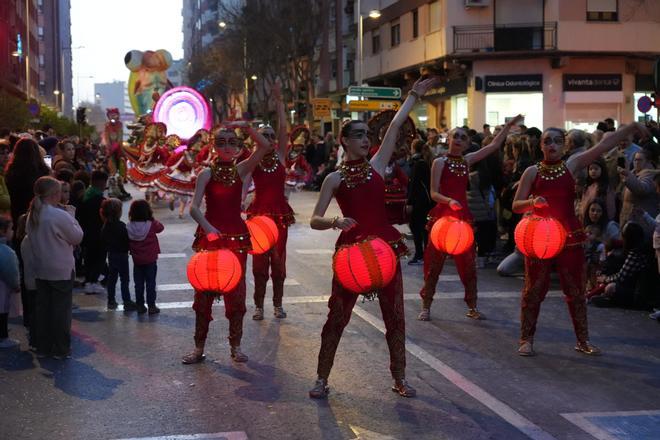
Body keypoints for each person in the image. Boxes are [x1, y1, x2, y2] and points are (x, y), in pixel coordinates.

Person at [307, 76, 440, 400]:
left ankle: (400, 378)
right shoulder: (334, 178)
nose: (366, 140)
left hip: (384, 251)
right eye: (359, 136)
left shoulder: (378, 167)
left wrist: (412, 97)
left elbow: (394, 127)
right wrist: (335, 221)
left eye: (368, 135)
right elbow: (314, 220)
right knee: (336, 319)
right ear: (344, 141)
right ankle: (322, 378)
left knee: (395, 319)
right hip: (351, 255)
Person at [512, 122, 649, 356]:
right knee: (533, 290)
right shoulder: (532, 172)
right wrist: (533, 203)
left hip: (570, 237)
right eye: (547, 141)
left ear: (564, 145)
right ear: (541, 146)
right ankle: (526, 338)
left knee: (575, 291)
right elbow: (516, 205)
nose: (552, 145)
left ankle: (582, 340)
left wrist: (630, 128)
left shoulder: (571, 165)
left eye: (557, 141)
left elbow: (604, 145)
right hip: (539, 237)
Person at [181, 121, 271, 365]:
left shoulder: (241, 170)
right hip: (210, 239)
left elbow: (264, 146)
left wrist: (246, 126)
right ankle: (199, 348)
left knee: (236, 295)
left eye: (232, 142)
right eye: (222, 142)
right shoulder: (206, 173)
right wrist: (209, 229)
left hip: (236, 240)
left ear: (239, 145)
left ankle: (236, 346)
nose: (228, 147)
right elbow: (194, 208)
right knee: (203, 296)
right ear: (214, 146)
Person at [418, 115, 523, 322]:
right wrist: (449, 201)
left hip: (462, 218)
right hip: (442, 217)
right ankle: (426, 305)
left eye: (462, 137)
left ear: (467, 143)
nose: (458, 139)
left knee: (467, 265)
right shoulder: (439, 162)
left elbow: (493, 146)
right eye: (455, 135)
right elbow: (433, 193)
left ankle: (472, 306)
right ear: (448, 139)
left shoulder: (466, 161)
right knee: (433, 265)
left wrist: (508, 127)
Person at [245, 83, 295, 320]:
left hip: (279, 216)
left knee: (278, 264)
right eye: (264, 136)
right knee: (258, 266)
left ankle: (277, 305)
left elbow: (284, 128)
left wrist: (279, 102)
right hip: (258, 218)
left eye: (271, 136)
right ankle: (258, 307)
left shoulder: (282, 158)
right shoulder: (252, 160)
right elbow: (242, 184)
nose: (269, 139)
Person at [27, 176, 83, 359]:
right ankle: (60, 348)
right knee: (60, 312)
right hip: (61, 270)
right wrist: (72, 217)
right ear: (54, 194)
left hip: (41, 268)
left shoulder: (33, 214)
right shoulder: (58, 215)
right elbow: (77, 237)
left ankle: (43, 346)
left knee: (44, 309)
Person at [127, 200, 164, 315]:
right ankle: (151, 306)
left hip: (137, 261)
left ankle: (140, 305)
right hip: (150, 260)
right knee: (151, 283)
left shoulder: (129, 227)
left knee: (138, 284)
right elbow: (161, 228)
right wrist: (152, 219)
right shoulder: (151, 224)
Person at [101, 198, 136, 311]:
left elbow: (103, 240)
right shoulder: (121, 226)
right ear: (118, 212)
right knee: (124, 279)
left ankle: (111, 300)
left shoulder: (105, 226)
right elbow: (127, 240)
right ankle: (127, 301)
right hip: (122, 255)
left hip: (111, 255)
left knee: (112, 279)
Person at [77, 170, 109, 294]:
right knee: (99, 258)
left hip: (86, 233)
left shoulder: (85, 196)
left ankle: (89, 280)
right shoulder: (100, 200)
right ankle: (93, 282)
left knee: (89, 258)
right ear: (101, 183)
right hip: (98, 235)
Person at [618, 149, 659, 233]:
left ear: (648, 162)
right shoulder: (633, 173)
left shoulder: (650, 174)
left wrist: (628, 175)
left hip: (643, 220)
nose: (636, 162)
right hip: (629, 218)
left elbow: (642, 189)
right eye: (635, 159)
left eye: (639, 160)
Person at [406, 139, 433, 264]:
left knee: (416, 227)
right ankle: (426, 254)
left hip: (419, 201)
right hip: (427, 200)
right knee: (424, 228)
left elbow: (414, 185)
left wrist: (410, 202)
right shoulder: (426, 162)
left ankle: (420, 254)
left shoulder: (418, 164)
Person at [0, 215, 20, 348]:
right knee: (2, 314)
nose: (12, 232)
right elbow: (11, 272)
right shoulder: (7, 252)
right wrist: (16, 285)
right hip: (2, 290)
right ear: (3, 231)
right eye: (11, 229)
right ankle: (3, 337)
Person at [578, 159, 616, 223]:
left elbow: (611, 209)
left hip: (600, 222)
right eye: (591, 169)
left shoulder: (606, 188)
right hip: (586, 221)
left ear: (602, 170)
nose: (593, 171)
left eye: (596, 169)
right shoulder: (587, 187)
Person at [0, 142, 10, 216]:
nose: (6, 156)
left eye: (7, 153)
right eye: (2, 153)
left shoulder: (8, 171)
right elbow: (4, 201)